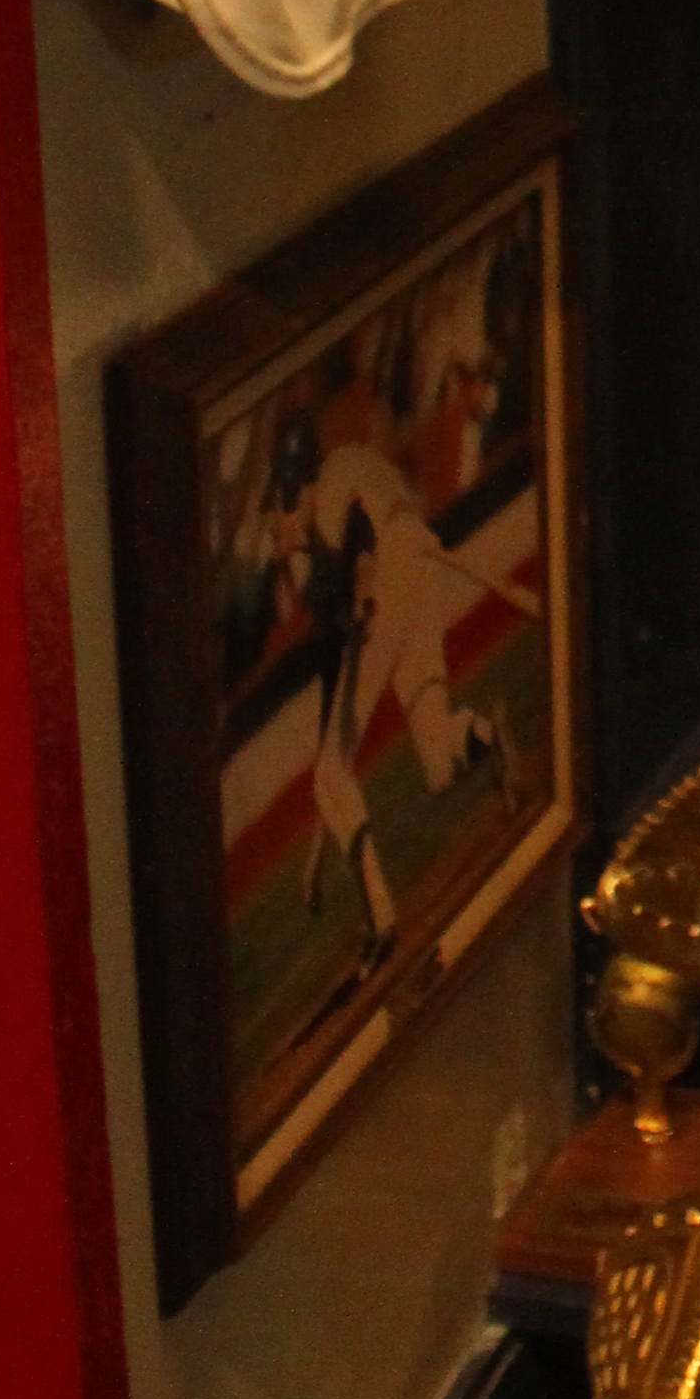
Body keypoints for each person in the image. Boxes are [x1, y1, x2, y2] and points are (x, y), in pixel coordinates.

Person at [264, 400, 507, 974]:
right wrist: (318, 852)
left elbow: (360, 527)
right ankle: (486, 732)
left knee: (331, 773)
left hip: (390, 582)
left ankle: (380, 917)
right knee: (439, 765)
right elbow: (335, 711)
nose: (273, 532)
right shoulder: (347, 472)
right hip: (420, 565)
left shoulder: (326, 511)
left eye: (273, 512)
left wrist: (368, 589)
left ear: (292, 492)